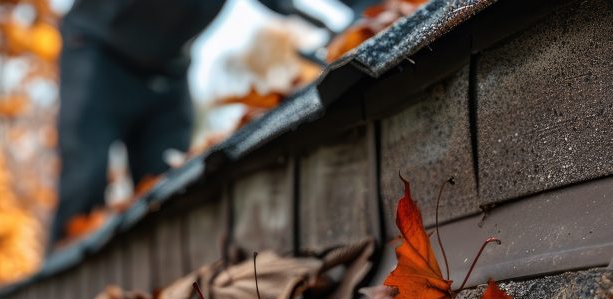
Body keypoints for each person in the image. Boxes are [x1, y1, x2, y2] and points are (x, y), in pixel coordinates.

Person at [50, 0, 379, 244]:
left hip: (167, 70)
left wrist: (361, 10)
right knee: (85, 181)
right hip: (97, 52)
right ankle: (64, 297)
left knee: (165, 189)